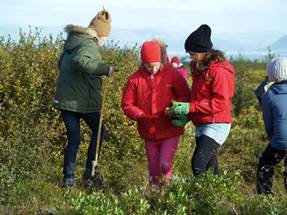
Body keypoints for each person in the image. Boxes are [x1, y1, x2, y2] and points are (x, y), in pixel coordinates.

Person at [53, 9, 113, 187]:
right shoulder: (89, 44)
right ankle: (89, 173)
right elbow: (81, 61)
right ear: (101, 35)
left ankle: (69, 180)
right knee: (99, 130)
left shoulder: (73, 41)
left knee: (74, 139)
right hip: (81, 103)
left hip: (66, 101)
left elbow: (61, 63)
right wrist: (105, 69)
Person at [121, 40, 190, 187]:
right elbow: (127, 104)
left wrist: (174, 108)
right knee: (153, 170)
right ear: (143, 63)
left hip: (170, 128)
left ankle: (166, 195)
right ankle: (154, 198)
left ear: (161, 60)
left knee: (165, 165)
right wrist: (140, 116)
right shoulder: (135, 79)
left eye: (155, 65)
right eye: (148, 66)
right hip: (148, 130)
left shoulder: (173, 75)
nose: (152, 69)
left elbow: (185, 95)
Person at [170, 24, 235, 176]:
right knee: (211, 169)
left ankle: (203, 198)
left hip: (217, 123)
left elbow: (220, 103)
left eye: (192, 52)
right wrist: (185, 115)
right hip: (203, 122)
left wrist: (189, 108)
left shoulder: (219, 71)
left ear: (202, 51)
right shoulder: (198, 68)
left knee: (198, 164)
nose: (189, 55)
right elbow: (197, 98)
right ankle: (217, 199)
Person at [256, 57, 287, 195]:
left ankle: (266, 199)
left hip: (280, 142)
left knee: (265, 165)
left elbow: (268, 124)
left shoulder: (269, 95)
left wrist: (273, 139)